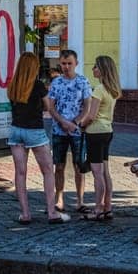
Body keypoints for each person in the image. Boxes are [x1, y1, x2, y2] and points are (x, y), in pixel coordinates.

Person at [7, 50, 65, 223]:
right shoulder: (38, 85)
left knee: (20, 173)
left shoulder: (13, 85)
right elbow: (48, 106)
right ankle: (51, 212)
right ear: (33, 67)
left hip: (16, 131)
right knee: (48, 171)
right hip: (35, 132)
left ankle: (25, 214)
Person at [45, 47, 92, 214]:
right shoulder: (56, 82)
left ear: (76, 63)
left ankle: (80, 201)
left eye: (69, 63)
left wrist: (76, 122)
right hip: (59, 130)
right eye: (63, 63)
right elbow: (50, 106)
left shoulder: (83, 82)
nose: (66, 67)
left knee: (79, 165)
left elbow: (87, 105)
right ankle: (59, 199)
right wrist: (63, 122)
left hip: (77, 130)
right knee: (59, 165)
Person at [80, 55, 121, 221]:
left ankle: (98, 209)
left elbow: (91, 115)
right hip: (107, 131)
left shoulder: (98, 89)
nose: (93, 69)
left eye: (96, 66)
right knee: (105, 172)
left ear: (103, 69)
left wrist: (81, 124)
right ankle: (108, 207)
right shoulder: (113, 89)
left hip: (95, 133)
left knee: (97, 173)